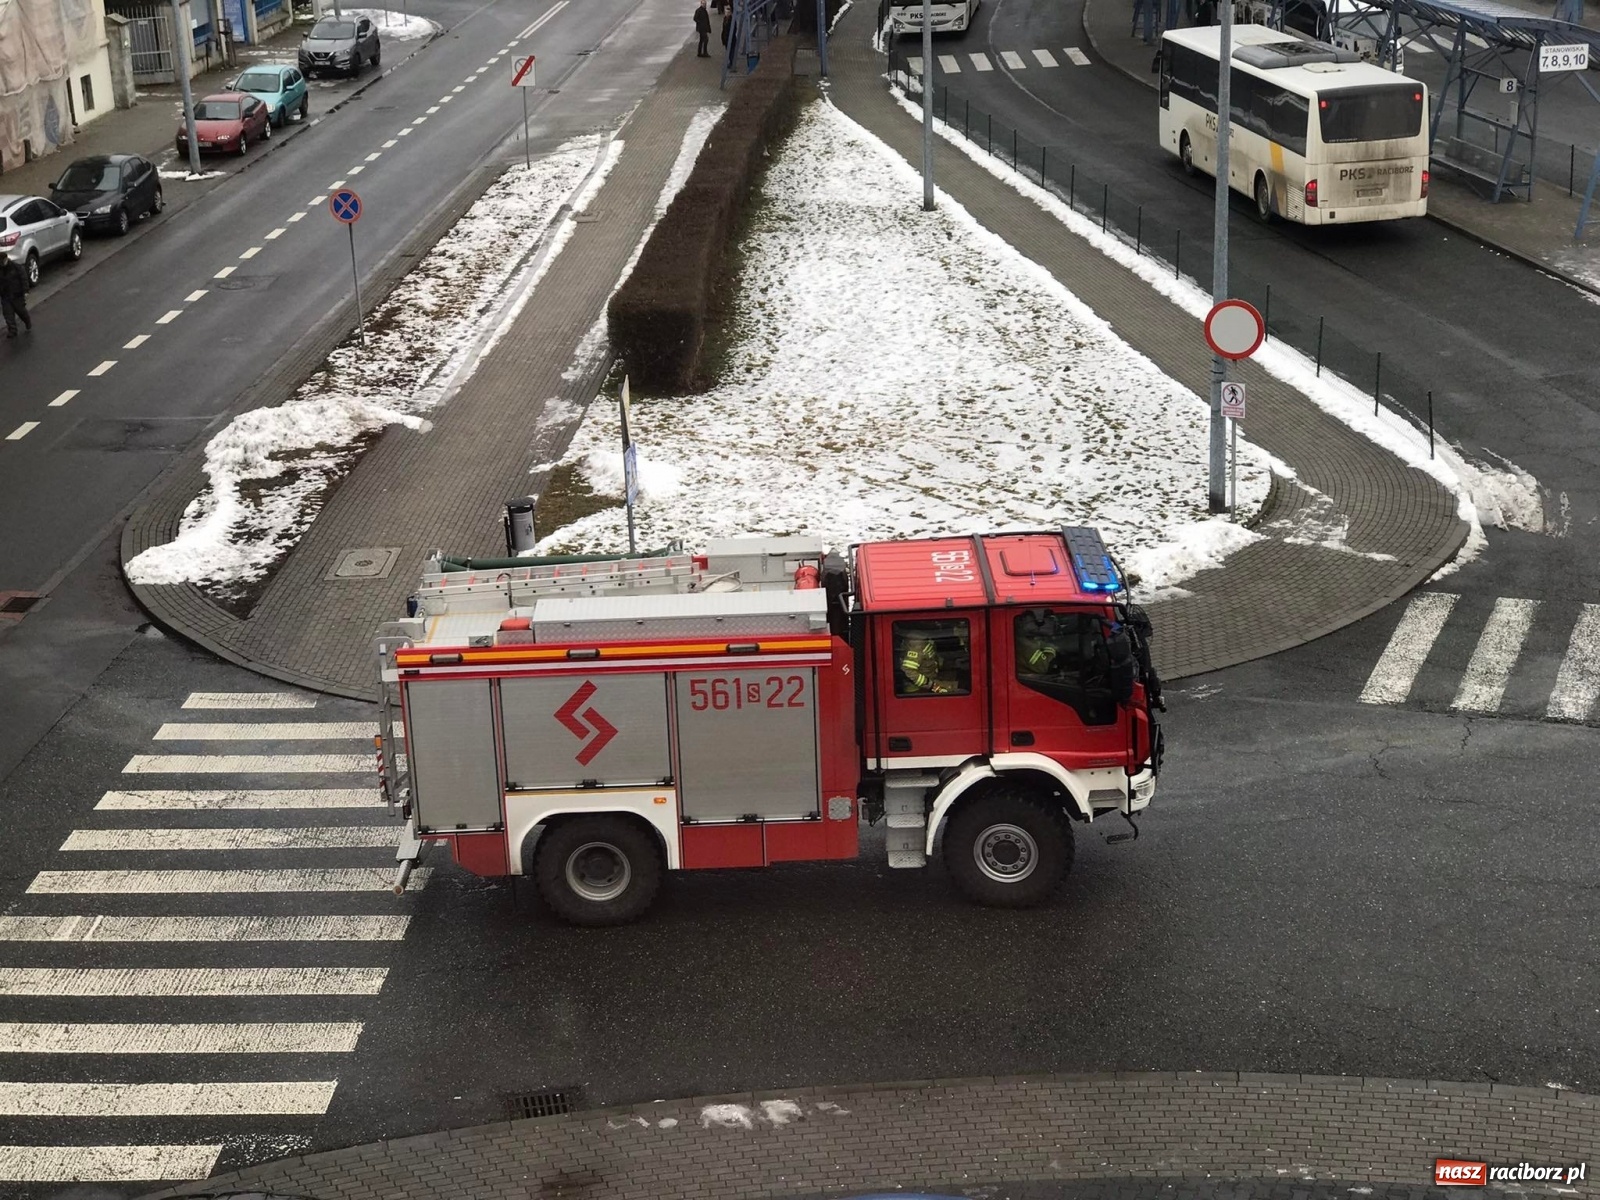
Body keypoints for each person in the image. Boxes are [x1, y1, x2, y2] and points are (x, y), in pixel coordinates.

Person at [0, 255, 30, 339]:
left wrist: (25, 290)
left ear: (6, 259)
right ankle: (12, 330)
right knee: (8, 314)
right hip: (5, 295)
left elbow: (24, 278)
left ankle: (27, 321)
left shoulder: (16, 267)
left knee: (21, 311)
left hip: (17, 294)